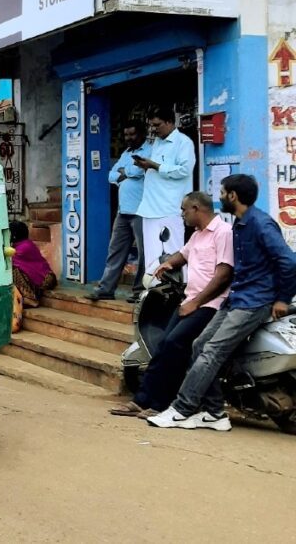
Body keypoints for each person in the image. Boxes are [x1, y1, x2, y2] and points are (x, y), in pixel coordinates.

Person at [148, 174, 296, 431]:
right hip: (238, 297)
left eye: (222, 192)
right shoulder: (239, 225)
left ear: (233, 196)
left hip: (254, 302)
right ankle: (215, 413)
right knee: (199, 346)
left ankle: (182, 408)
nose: (219, 197)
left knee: (212, 351)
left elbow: (289, 262)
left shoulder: (260, 224)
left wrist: (282, 298)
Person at [109, 191, 232, 418]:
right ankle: (142, 400)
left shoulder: (222, 232)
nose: (182, 214)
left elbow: (224, 274)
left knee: (175, 344)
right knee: (164, 345)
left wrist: (196, 303)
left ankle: (162, 404)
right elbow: (182, 254)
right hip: (189, 300)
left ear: (196, 208)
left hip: (210, 305)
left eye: (184, 210)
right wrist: (166, 265)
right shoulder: (197, 235)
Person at [88, 121, 150, 302]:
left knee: (144, 253)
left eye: (132, 134)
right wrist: (126, 172)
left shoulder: (149, 151)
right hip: (123, 211)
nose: (129, 138)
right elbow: (111, 175)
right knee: (115, 251)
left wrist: (126, 171)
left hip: (141, 210)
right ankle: (106, 289)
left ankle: (139, 292)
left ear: (142, 134)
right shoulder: (126, 153)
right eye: (126, 135)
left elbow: (139, 172)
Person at [133, 105, 196, 279]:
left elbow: (184, 170)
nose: (154, 129)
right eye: (151, 125)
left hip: (171, 208)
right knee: (152, 258)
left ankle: (177, 294)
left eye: (157, 125)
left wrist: (154, 165)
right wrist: (145, 166)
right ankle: (154, 294)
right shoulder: (157, 144)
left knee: (173, 254)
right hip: (150, 208)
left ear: (169, 122)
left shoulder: (183, 143)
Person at [10, 220, 57, 308]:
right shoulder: (21, 245)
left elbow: (10, 260)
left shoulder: (24, 247)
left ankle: (30, 298)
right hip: (39, 279)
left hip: (46, 280)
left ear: (14, 235)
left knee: (12, 269)